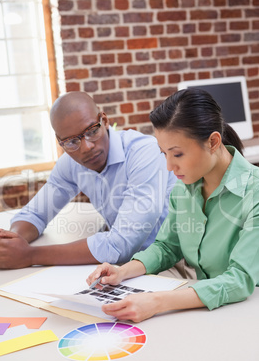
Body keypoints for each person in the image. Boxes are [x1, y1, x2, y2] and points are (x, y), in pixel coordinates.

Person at [87, 88, 259, 323]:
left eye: (177, 154)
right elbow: (167, 247)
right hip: (206, 311)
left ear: (213, 141)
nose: (169, 167)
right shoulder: (184, 189)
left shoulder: (254, 192)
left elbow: (239, 280)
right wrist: (122, 271)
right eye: (164, 153)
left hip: (247, 313)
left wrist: (157, 302)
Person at [0, 91, 176, 269]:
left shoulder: (145, 152)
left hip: (169, 262)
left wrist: (29, 255)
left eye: (92, 131)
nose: (86, 147)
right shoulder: (70, 164)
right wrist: (10, 242)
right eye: (71, 142)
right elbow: (36, 214)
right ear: (60, 142)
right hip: (122, 267)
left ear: (104, 121)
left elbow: (121, 244)